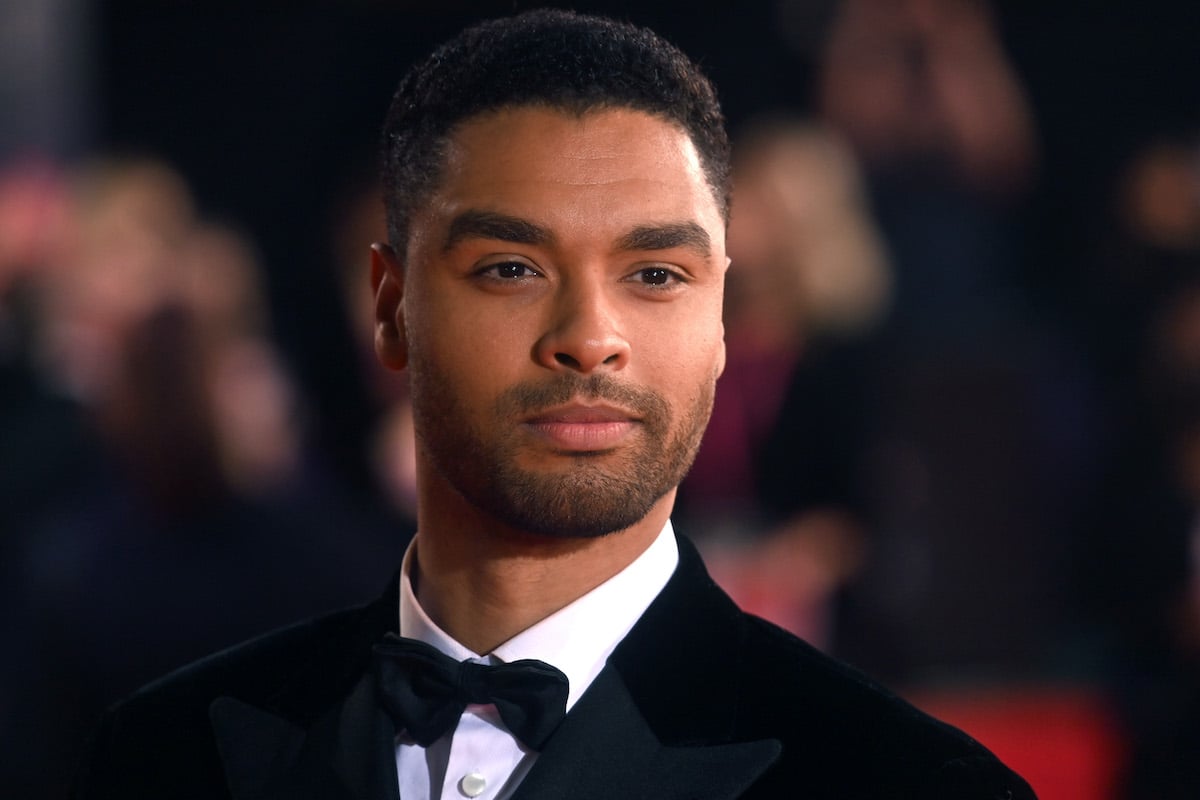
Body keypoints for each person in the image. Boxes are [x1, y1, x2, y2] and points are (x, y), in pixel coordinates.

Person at [71, 10, 1035, 799]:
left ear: (724, 319)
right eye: (511, 268)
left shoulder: (906, 787)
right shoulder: (166, 758)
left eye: (656, 273)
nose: (589, 334)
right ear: (391, 307)